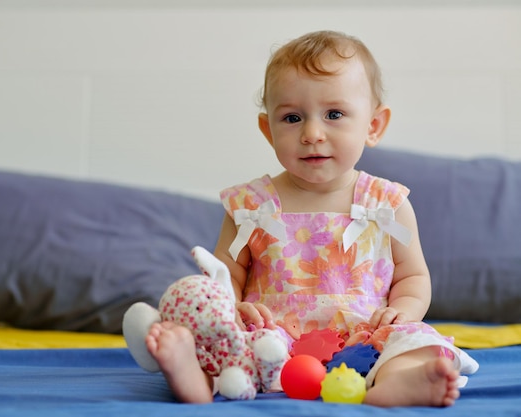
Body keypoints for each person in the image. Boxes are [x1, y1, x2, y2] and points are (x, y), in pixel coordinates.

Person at [145, 30, 478, 407]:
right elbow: (227, 273)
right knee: (226, 340)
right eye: (292, 118)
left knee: (417, 343)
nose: (312, 133)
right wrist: (234, 308)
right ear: (268, 130)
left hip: (365, 336)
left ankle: (397, 383)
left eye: (334, 114)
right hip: (273, 338)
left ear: (373, 125)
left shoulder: (387, 204)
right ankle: (192, 377)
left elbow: (412, 275)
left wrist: (403, 311)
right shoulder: (250, 206)